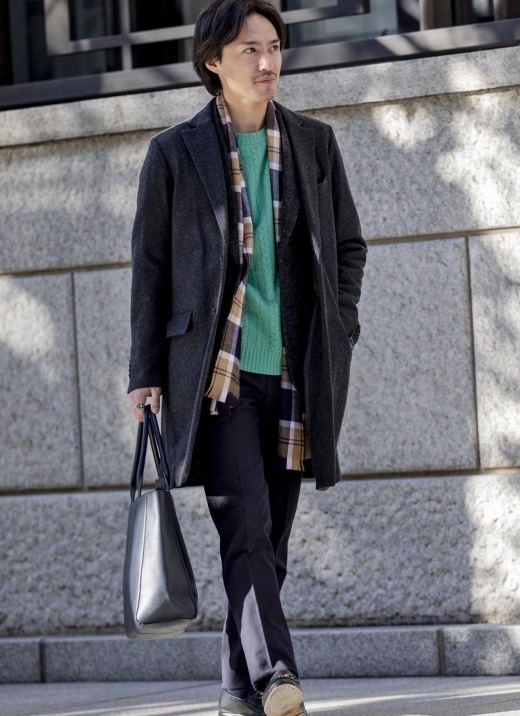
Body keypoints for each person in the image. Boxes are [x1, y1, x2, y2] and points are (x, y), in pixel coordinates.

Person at [128, 0, 366, 714]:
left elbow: (348, 245)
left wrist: (341, 326)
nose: (267, 63)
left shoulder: (313, 143)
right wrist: (144, 371)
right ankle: (278, 677)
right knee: (246, 529)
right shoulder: (174, 153)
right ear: (213, 62)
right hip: (218, 374)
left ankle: (237, 690)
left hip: (296, 371)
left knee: (270, 541)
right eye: (248, 50)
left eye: (273, 47)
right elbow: (151, 267)